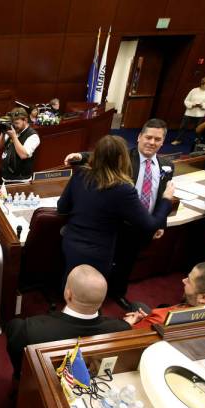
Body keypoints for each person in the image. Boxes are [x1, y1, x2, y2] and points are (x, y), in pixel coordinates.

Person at [64, 119, 175, 309]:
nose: (152, 142)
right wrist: (81, 156)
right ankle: (96, 295)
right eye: (148, 137)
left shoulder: (167, 165)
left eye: (158, 139)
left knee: (127, 264)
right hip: (118, 225)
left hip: (143, 224)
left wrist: (160, 223)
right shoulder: (124, 158)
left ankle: (117, 293)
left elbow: (161, 194)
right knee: (107, 264)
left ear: (163, 141)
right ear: (139, 137)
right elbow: (102, 154)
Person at [5, 265, 130, 378]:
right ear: (102, 300)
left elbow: (17, 356)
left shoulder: (28, 329)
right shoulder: (122, 329)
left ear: (68, 294)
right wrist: (128, 323)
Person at [124, 263, 205, 329]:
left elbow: (128, 336)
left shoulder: (159, 318)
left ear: (203, 298)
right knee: (137, 305)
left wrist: (130, 324)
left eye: (189, 281)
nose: (183, 280)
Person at [0, 107, 40, 182]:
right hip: (5, 176)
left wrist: (14, 137)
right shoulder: (14, 129)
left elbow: (23, 155)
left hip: (21, 180)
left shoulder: (33, 136)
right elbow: (0, 146)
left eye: (17, 123)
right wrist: (3, 132)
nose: (14, 126)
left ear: (25, 120)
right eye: (13, 123)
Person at [171, 77, 205, 145]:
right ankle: (178, 140)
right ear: (202, 83)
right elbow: (186, 100)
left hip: (200, 113)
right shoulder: (194, 90)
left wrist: (202, 105)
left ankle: (198, 141)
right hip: (189, 112)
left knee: (198, 128)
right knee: (183, 127)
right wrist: (192, 105)